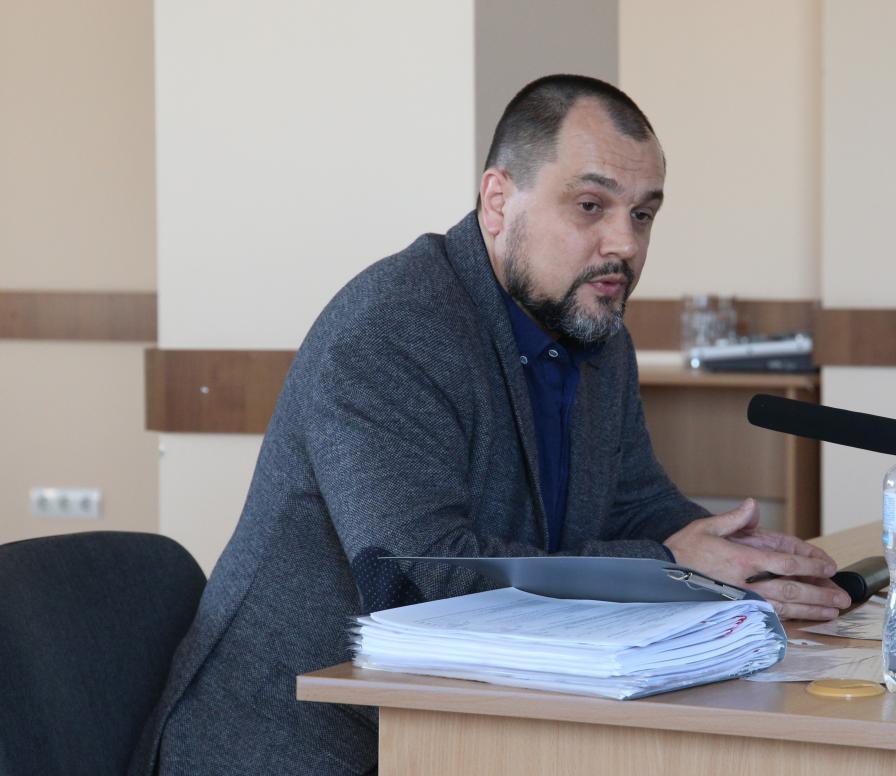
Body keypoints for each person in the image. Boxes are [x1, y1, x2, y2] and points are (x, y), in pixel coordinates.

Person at [131, 74, 849, 776]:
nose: (625, 245)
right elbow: (423, 575)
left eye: (642, 214)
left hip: (478, 721)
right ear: (498, 200)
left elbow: (636, 501)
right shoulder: (390, 331)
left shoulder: (596, 334)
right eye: (591, 205)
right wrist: (671, 566)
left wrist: (742, 561)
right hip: (299, 740)